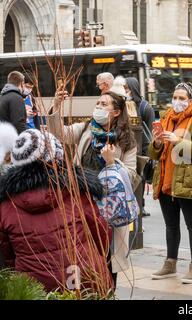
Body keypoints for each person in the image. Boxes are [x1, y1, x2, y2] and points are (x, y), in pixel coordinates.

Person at [0, 128, 112, 292]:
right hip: (83, 280)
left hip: (35, 289)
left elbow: (8, 255)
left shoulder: (6, 206)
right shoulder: (76, 192)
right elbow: (101, 235)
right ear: (56, 158)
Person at [47, 90, 138, 287]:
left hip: (109, 208)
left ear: (116, 112)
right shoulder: (88, 128)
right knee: (82, 254)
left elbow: (131, 175)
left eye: (104, 104)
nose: (98, 107)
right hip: (81, 203)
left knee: (106, 257)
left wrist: (112, 163)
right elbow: (59, 133)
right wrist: (56, 106)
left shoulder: (126, 140)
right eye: (98, 103)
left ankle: (108, 292)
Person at [149, 82, 192, 284]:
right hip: (166, 179)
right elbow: (155, 153)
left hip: (188, 179)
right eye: (175, 97)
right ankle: (170, 263)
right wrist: (157, 143)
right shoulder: (166, 117)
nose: (177, 101)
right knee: (171, 225)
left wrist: (177, 141)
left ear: (191, 100)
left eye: (182, 98)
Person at [125, 77, 155, 156]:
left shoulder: (145, 108)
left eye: (126, 89)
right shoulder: (121, 106)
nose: (124, 92)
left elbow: (150, 134)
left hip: (141, 153)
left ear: (133, 89)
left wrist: (147, 155)